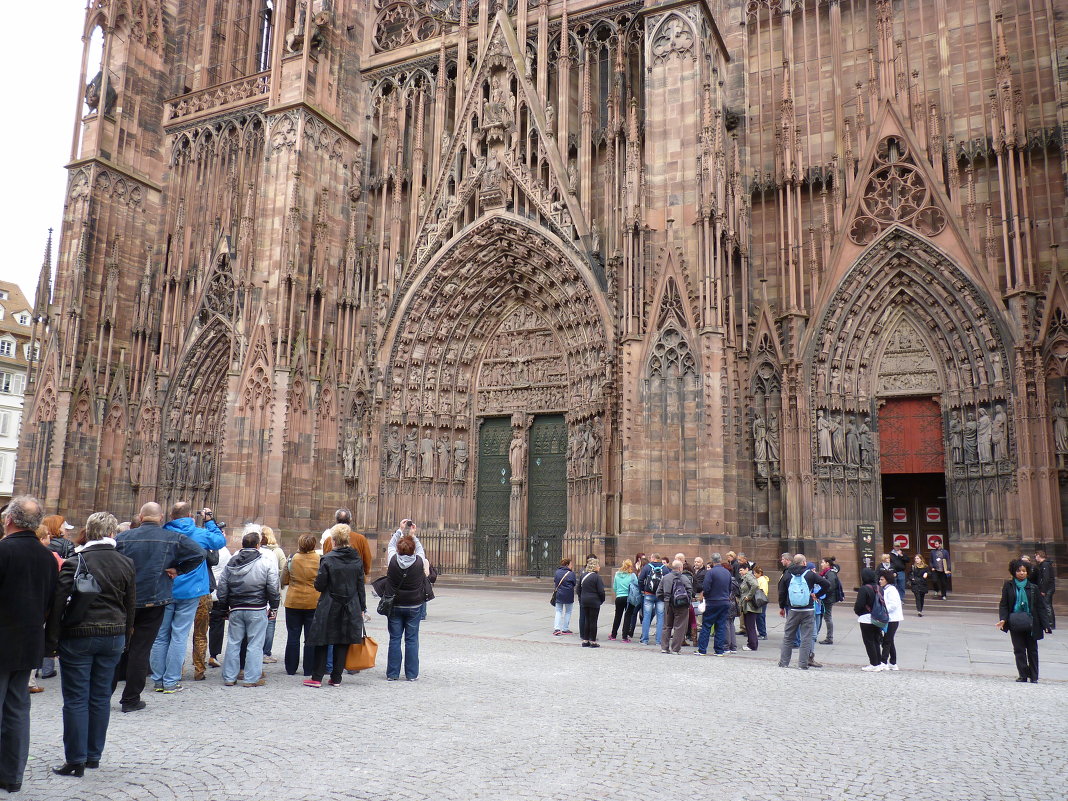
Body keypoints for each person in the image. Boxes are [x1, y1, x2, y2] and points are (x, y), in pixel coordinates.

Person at [45, 512, 136, 778]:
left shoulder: (76, 561)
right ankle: (94, 755)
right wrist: (125, 639)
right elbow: (131, 606)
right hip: (113, 635)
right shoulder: (126, 562)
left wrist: (51, 643)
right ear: (112, 533)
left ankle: (76, 759)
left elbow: (58, 604)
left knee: (76, 698)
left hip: (79, 635)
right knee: (99, 698)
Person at [113, 501, 206, 712]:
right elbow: (199, 554)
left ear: (140, 515)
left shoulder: (123, 538)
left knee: (118, 646)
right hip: (156, 600)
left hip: (126, 599)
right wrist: (178, 569)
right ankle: (130, 699)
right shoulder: (173, 538)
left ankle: (103, 695)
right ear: (161, 517)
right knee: (141, 649)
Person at [0, 496, 56, 794]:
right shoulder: (47, 557)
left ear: (9, 520)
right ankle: (12, 775)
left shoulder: (3, 551)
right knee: (18, 710)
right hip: (28, 643)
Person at [149, 502, 225, 693]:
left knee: (160, 636)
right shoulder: (198, 533)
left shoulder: (164, 533)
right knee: (179, 635)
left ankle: (158, 680)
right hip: (191, 591)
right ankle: (171, 681)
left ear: (171, 516)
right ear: (190, 515)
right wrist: (209, 521)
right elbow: (219, 542)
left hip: (166, 588)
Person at [305, 524, 366, 687]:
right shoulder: (356, 558)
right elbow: (361, 584)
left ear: (334, 541)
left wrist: (317, 582)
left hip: (330, 603)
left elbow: (320, 585)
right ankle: (336, 678)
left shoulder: (328, 558)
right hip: (350, 603)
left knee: (322, 639)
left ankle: (317, 677)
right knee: (343, 640)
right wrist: (362, 606)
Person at [218, 527, 280, 687]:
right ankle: (251, 678)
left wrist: (224, 607)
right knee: (255, 643)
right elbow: (273, 587)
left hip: (236, 607)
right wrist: (274, 607)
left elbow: (223, 586)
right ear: (258, 545)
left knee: (233, 642)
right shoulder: (265, 562)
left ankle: (229, 677)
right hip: (257, 607)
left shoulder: (232, 561)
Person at [996, 559, 1051, 683]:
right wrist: (1003, 619)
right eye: (1019, 571)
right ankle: (1023, 674)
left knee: (1032, 649)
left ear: (1027, 572)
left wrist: (1046, 625)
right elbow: (1004, 604)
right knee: (1019, 649)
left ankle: (1034, 676)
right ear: (1014, 572)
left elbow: (1040, 607)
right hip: (1015, 621)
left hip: (1031, 622)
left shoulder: (1033, 587)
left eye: (1024, 571)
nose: (1021, 573)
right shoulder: (1008, 586)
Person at [777, 554, 830, 670]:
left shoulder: (787, 574)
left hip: (793, 609)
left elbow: (781, 592)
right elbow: (827, 584)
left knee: (788, 637)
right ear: (804, 563)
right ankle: (802, 664)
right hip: (808, 609)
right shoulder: (810, 574)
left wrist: (782, 607)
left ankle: (784, 662)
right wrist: (817, 595)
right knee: (806, 637)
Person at [385, 533, 424, 681]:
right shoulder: (419, 561)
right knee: (412, 640)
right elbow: (420, 549)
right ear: (413, 549)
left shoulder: (393, 560)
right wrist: (414, 536)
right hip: (414, 605)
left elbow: (390, 546)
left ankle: (393, 674)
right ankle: (412, 675)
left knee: (395, 639)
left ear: (398, 550)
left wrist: (399, 531)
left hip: (395, 605)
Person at [282, 534, 321, 676]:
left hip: (293, 601)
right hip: (313, 602)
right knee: (310, 638)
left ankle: (291, 668)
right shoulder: (320, 559)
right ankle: (309, 669)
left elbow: (284, 579)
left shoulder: (292, 558)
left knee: (293, 635)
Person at [259, 526, 286, 663]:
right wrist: (278, 585)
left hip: (256, 591)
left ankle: (255, 651)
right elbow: (283, 570)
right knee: (271, 620)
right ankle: (265, 653)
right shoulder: (277, 551)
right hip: (273, 591)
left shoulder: (255, 551)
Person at [696, 553, 732, 656]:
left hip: (712, 601)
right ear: (720, 560)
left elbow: (706, 587)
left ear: (712, 561)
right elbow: (730, 588)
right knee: (720, 626)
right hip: (724, 601)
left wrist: (705, 596)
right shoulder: (727, 572)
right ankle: (719, 650)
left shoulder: (710, 572)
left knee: (706, 625)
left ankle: (702, 650)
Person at [320, 509, 372, 578]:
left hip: (334, 579)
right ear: (350, 520)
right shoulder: (360, 539)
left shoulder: (329, 540)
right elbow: (367, 559)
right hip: (355, 578)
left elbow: (325, 561)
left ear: (336, 520)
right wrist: (365, 571)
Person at [656, 560, 692, 654]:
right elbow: (690, 591)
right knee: (679, 627)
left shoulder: (666, 578)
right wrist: (687, 602)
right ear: (680, 568)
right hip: (681, 606)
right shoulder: (684, 578)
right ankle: (675, 649)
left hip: (668, 605)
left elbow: (658, 593)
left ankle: (664, 647)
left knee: (667, 626)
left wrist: (665, 600)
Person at [855, 568, 884, 671]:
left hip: (866, 618)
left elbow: (859, 605)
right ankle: (878, 662)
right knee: (876, 639)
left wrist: (858, 612)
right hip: (878, 617)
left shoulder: (864, 588)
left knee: (869, 641)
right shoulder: (879, 587)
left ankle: (873, 664)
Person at [636, 553, 668, 645]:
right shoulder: (664, 568)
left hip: (648, 594)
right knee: (660, 617)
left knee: (646, 616)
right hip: (660, 596)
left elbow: (640, 580)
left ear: (653, 558)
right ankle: (659, 641)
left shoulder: (647, 567)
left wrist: (643, 590)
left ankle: (645, 639)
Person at [576, 558, 605, 647]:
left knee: (587, 620)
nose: (599, 567)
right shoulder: (597, 577)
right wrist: (601, 600)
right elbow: (601, 591)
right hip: (594, 601)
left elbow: (578, 589)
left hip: (584, 600)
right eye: (598, 565)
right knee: (593, 621)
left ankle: (585, 640)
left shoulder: (583, 575)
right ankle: (593, 641)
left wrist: (581, 598)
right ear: (595, 566)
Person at [879, 571, 904, 670]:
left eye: (882, 579)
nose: (880, 581)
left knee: (887, 640)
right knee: (889, 640)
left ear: (887, 580)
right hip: (889, 618)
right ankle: (893, 662)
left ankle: (884, 661)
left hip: (893, 618)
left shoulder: (891, 590)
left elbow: (893, 605)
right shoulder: (886, 589)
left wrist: (883, 610)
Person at [610, 559, 637, 642]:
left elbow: (614, 587)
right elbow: (636, 586)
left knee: (617, 616)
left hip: (619, 597)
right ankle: (624, 637)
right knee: (628, 616)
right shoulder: (632, 575)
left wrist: (619, 592)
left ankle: (613, 635)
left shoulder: (617, 574)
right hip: (629, 598)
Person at [817, 557, 841, 644]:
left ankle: (829, 638)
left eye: (823, 562)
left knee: (827, 617)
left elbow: (829, 587)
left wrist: (818, 594)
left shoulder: (830, 573)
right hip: (826, 597)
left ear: (827, 563)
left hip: (828, 598)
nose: (821, 564)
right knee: (825, 616)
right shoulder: (827, 573)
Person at [736, 563, 759, 651]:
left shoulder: (748, 576)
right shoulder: (748, 576)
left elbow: (755, 585)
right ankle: (752, 643)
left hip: (750, 605)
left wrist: (748, 596)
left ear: (746, 569)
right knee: (749, 625)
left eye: (741, 570)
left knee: (750, 625)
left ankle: (752, 645)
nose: (740, 572)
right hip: (748, 605)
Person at [552, 558, 577, 635]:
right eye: (571, 564)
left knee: (558, 611)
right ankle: (565, 628)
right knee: (568, 611)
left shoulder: (557, 572)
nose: (572, 566)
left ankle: (557, 628)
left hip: (559, 593)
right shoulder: (571, 573)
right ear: (567, 565)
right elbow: (574, 583)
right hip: (568, 594)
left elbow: (555, 581)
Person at [1033, 550, 1056, 632]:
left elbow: (1046, 578)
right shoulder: (1044, 564)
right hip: (1048, 588)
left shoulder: (1045, 564)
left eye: (1036, 556)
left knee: (1047, 605)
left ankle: (1050, 623)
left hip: (1048, 588)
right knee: (1047, 605)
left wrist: (1043, 590)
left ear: (1039, 555)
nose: (1035, 558)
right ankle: (1049, 623)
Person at [753, 566, 769, 640]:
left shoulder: (762, 580)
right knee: (760, 617)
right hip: (761, 599)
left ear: (759, 573)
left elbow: (762, 590)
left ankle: (763, 633)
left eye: (755, 573)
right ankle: (762, 633)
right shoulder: (761, 579)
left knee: (760, 617)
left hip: (761, 600)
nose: (754, 574)